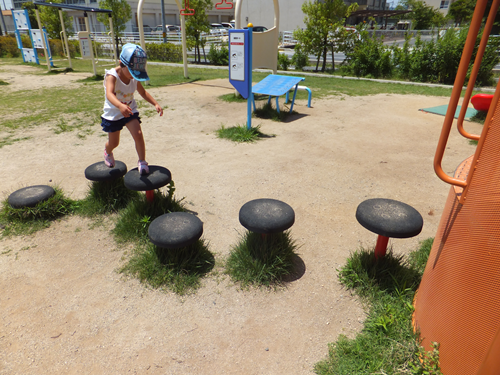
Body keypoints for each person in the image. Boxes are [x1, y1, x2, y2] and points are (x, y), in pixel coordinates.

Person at [100, 43, 163, 175]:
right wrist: (120, 105)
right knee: (114, 142)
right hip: (114, 113)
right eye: (132, 71)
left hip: (129, 110)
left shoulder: (134, 77)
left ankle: (142, 161)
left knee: (138, 135)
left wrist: (155, 103)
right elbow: (109, 94)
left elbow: (143, 92)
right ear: (121, 64)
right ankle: (108, 151)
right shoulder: (112, 76)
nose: (134, 75)